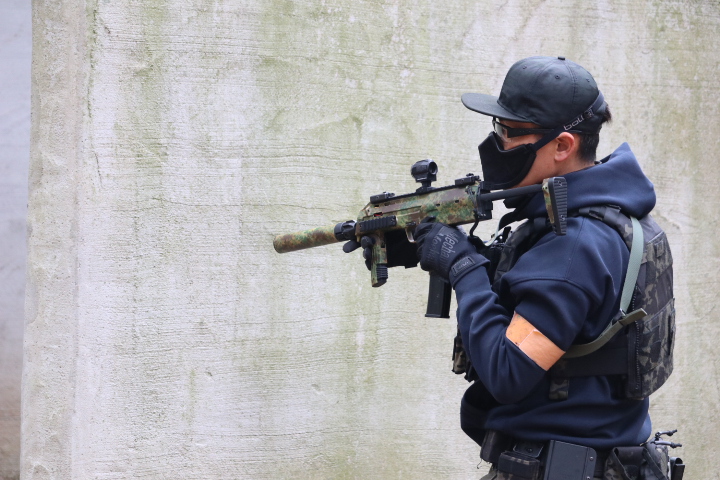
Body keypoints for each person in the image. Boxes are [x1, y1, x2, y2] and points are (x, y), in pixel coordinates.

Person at [364, 56, 677, 479]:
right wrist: (450, 252)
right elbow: (553, 300)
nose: (496, 144)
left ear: (562, 146)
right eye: (498, 127)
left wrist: (463, 265)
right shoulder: (609, 216)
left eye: (509, 132)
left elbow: (507, 371)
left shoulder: (576, 245)